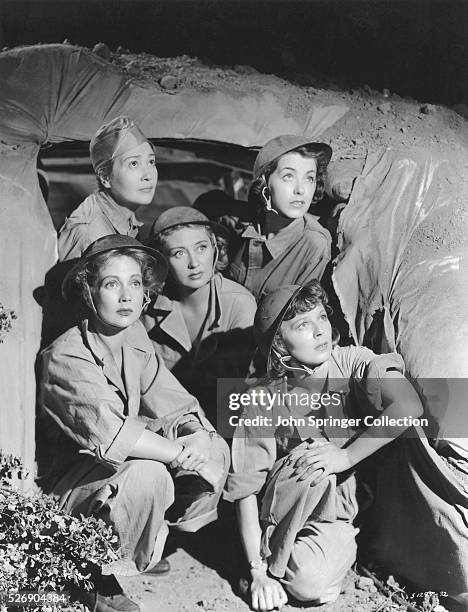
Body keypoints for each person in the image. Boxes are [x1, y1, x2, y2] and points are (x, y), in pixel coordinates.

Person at [41, 235, 229, 612]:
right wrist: (179, 454)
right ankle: (87, 573)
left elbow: (175, 402)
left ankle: (131, 548)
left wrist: (197, 437)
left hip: (106, 479)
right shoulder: (65, 355)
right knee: (150, 475)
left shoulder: (133, 338)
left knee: (213, 444)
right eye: (112, 284)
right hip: (63, 495)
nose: (126, 296)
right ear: (88, 292)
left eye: (135, 283)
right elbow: (111, 435)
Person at [225, 282, 424, 611]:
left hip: (343, 513)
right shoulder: (262, 396)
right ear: (277, 344)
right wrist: (257, 572)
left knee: (310, 586)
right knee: (311, 460)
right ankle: (271, 553)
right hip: (291, 505)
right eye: (303, 324)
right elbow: (246, 487)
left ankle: (336, 551)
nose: (319, 331)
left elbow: (408, 405)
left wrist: (346, 456)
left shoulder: (351, 362)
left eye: (321, 317)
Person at [143, 206, 257, 421]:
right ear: (162, 261)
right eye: (179, 253)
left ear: (216, 248)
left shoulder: (238, 304)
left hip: (231, 422)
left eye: (201, 248)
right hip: (173, 423)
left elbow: (245, 391)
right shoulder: (149, 313)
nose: (194, 263)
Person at [227, 135, 333, 300]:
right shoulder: (245, 224)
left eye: (309, 178)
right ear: (264, 184)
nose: (301, 190)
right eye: (288, 176)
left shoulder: (314, 244)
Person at [57, 116, 157, 261]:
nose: (148, 175)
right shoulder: (88, 234)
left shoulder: (126, 217)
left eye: (151, 161)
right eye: (134, 163)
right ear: (105, 177)